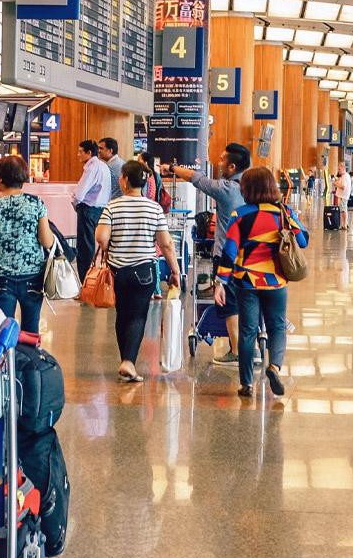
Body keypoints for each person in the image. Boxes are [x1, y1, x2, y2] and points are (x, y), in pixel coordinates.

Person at [215, 167, 307, 398]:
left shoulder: (240, 214)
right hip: (275, 281)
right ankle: (274, 367)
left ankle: (246, 383)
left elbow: (229, 251)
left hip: (246, 281)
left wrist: (220, 282)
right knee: (276, 327)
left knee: (247, 331)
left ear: (246, 189)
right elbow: (303, 241)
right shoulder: (283, 212)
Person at [96, 160, 182, 382]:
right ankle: (128, 362)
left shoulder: (112, 206)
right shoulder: (154, 208)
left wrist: (109, 245)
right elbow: (166, 244)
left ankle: (126, 359)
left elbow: (101, 238)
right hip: (144, 270)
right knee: (138, 315)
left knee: (122, 314)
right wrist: (175, 270)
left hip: (118, 271)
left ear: (124, 180)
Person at [163, 143, 250, 363]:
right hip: (251, 254)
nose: (218, 162)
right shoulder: (253, 186)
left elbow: (196, 178)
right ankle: (252, 347)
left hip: (227, 255)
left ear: (231, 166)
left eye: (222, 159)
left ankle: (237, 352)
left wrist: (171, 169)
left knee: (229, 303)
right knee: (248, 301)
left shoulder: (226, 189)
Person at [0, 154, 55, 333]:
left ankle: (7, 360)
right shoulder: (36, 204)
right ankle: (30, 360)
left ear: (0, 179)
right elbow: (46, 241)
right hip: (33, 276)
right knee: (31, 330)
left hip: (1, 278)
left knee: (3, 331)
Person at [71, 139, 114, 281]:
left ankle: (85, 283)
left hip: (88, 209)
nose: (78, 155)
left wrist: (76, 203)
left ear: (89, 153)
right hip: (101, 209)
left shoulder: (91, 167)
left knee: (85, 248)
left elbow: (79, 193)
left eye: (80, 152)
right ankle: (98, 281)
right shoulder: (104, 166)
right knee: (99, 247)